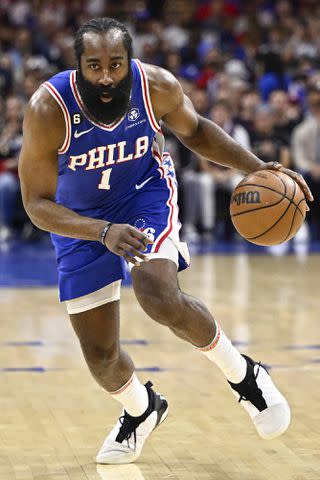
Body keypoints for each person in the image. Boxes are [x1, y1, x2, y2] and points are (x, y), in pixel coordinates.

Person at [18, 18, 313, 465]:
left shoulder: (155, 86)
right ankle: (142, 409)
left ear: (129, 62)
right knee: (101, 358)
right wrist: (100, 231)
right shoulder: (48, 108)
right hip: (79, 220)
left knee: (157, 293)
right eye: (94, 65)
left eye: (115, 64)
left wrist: (258, 167)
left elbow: (195, 131)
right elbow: (37, 204)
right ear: (77, 65)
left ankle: (245, 376)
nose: (105, 76)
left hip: (143, 197)